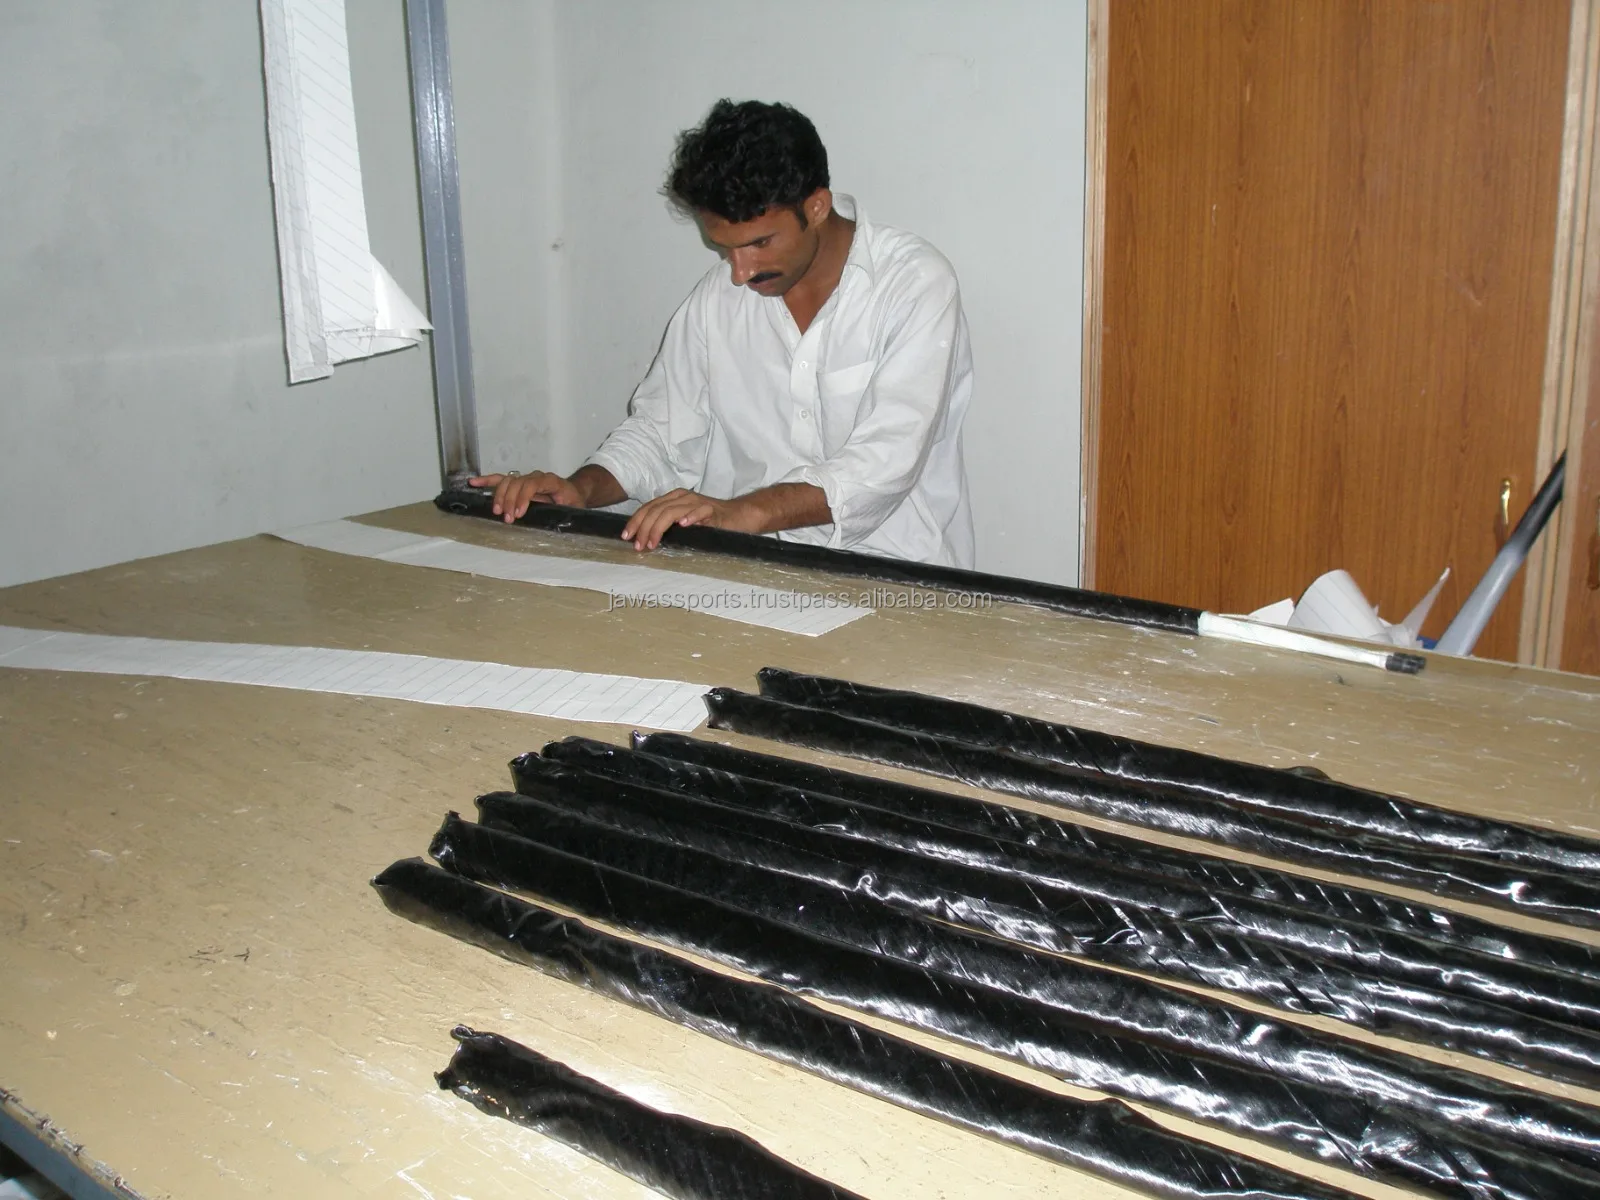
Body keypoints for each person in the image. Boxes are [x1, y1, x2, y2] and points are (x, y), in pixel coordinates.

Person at [472, 99, 975, 567]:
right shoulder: (720, 298)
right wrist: (579, 491)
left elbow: (885, 462)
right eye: (724, 248)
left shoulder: (912, 284)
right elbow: (662, 431)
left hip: (899, 577)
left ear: (817, 207)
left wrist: (742, 513)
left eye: (760, 243)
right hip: (750, 571)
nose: (740, 272)